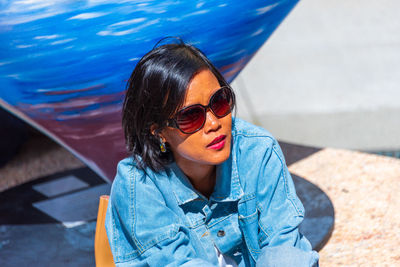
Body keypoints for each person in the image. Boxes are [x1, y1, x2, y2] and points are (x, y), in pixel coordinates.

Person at [105, 39, 319, 267]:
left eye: (219, 102)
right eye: (190, 116)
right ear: (159, 132)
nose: (214, 123)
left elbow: (282, 245)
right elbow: (175, 263)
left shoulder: (258, 151)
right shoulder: (138, 185)